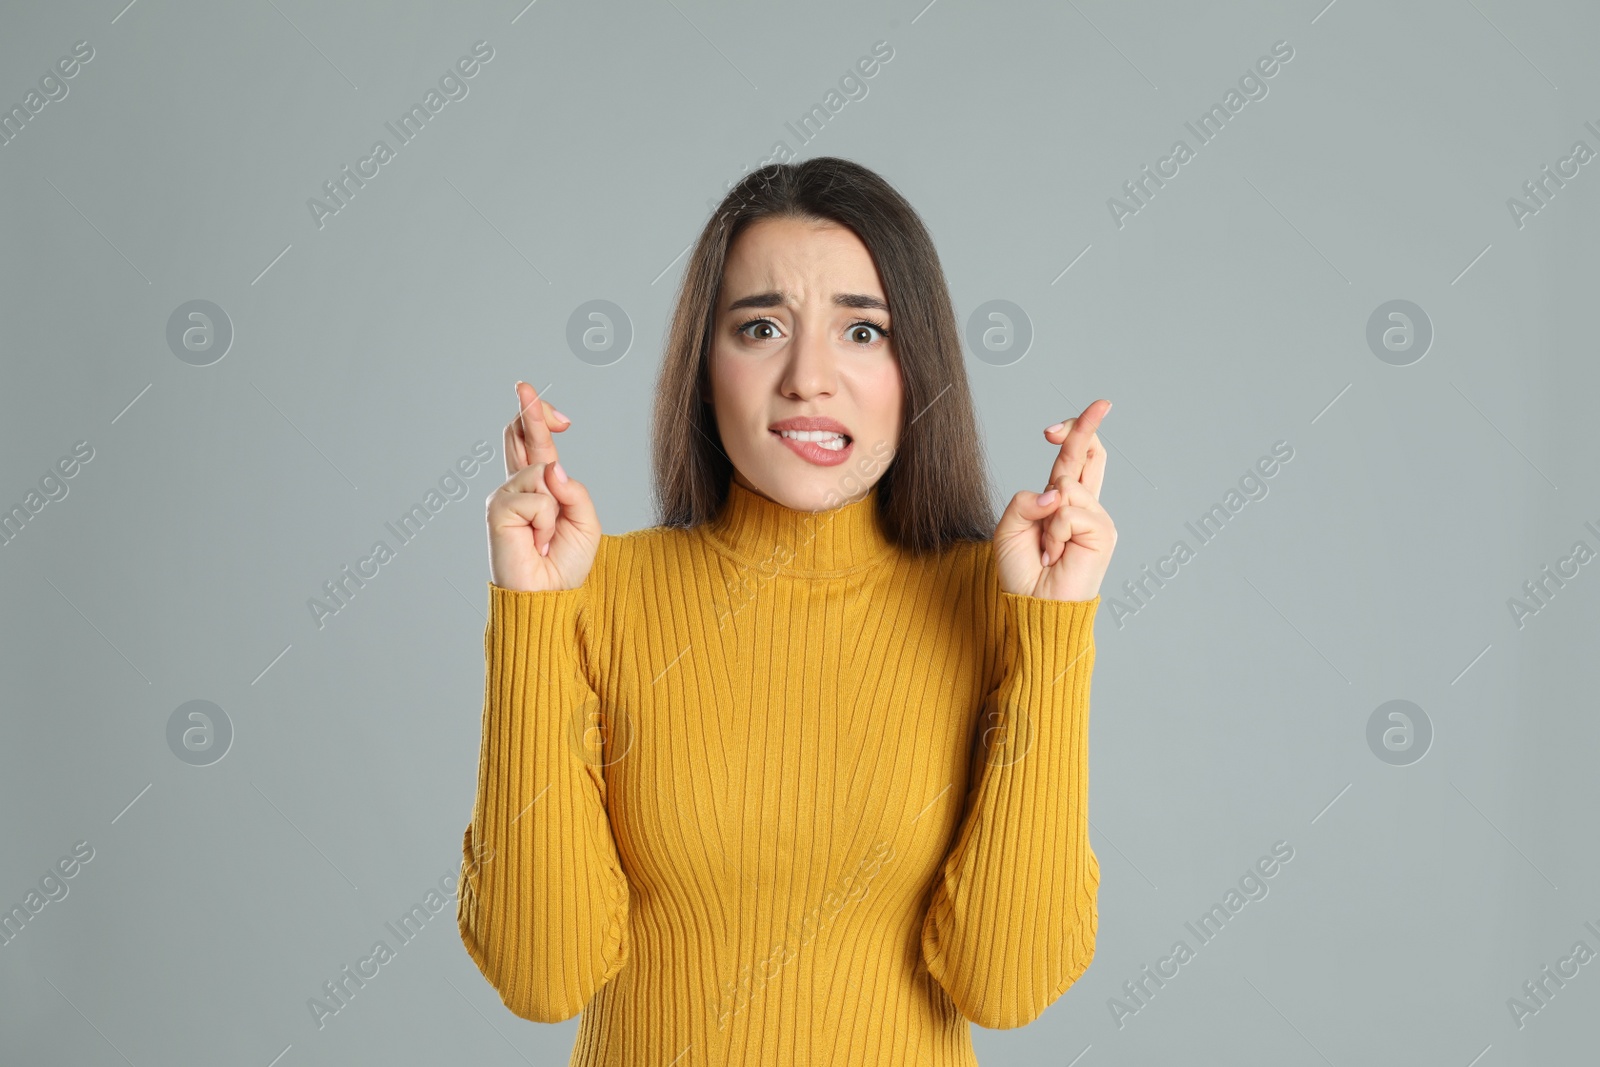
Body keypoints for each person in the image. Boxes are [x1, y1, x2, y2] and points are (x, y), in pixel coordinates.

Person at [456, 156, 1118, 1065]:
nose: (809, 377)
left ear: (917, 365)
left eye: (863, 332)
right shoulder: (595, 595)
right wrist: (531, 616)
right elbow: (540, 975)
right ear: (704, 365)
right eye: (761, 326)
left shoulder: (997, 602)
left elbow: (1006, 983)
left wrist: (1050, 630)